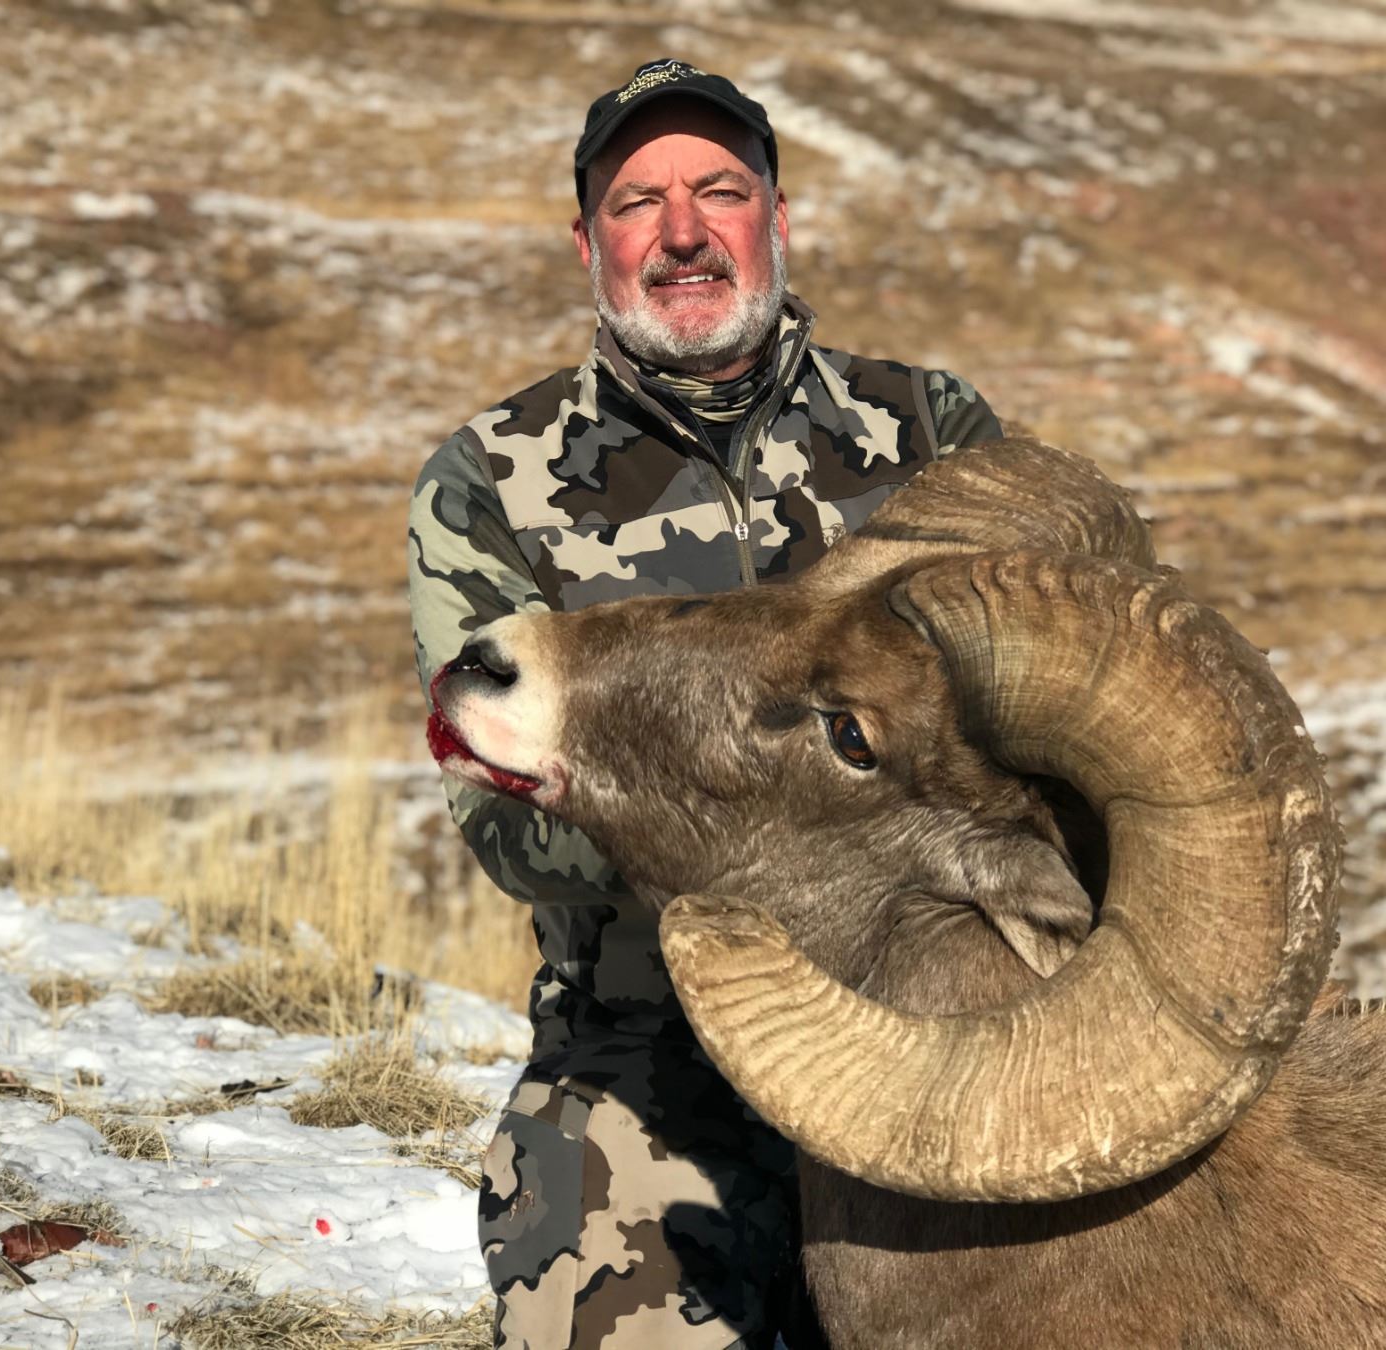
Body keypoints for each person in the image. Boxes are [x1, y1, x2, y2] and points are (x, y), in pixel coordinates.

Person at [407, 58, 1003, 1350]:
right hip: (650, 1042)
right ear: (589, 244)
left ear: (775, 218)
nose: (682, 231)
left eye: (720, 190)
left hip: (933, 1017)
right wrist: (768, 819)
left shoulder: (932, 433)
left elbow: (1025, 728)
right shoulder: (493, 479)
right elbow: (505, 827)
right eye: (638, 202)